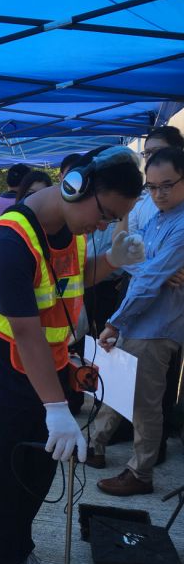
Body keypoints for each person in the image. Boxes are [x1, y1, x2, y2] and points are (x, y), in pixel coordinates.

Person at [0, 145, 144, 564]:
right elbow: (25, 330)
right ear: (74, 186)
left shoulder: (69, 233)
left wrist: (110, 260)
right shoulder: (8, 241)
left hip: (54, 378)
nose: (104, 225)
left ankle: (19, 552)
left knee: (35, 482)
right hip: (7, 387)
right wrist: (56, 410)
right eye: (106, 214)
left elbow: (69, 283)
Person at [88, 146, 184, 493]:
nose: (158, 193)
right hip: (136, 318)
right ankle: (96, 444)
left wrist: (115, 321)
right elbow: (129, 259)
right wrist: (157, 271)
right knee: (116, 387)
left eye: (167, 185)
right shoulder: (159, 217)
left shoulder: (181, 224)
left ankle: (141, 473)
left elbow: (145, 278)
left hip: (157, 326)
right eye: (152, 186)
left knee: (144, 404)